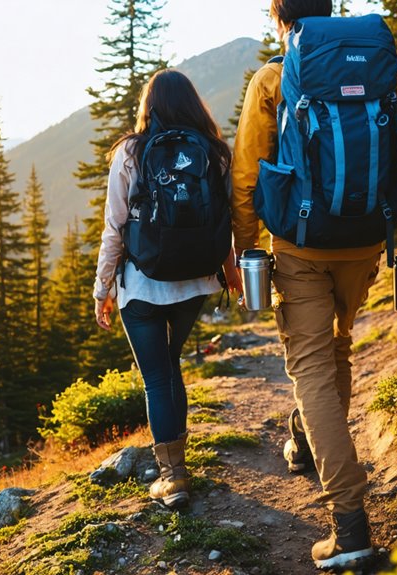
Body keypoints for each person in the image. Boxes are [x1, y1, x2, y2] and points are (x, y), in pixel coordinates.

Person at [232, 0, 397, 569]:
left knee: (311, 370)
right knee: (337, 348)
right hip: (366, 241)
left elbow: (248, 170)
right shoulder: (381, 72)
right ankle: (306, 441)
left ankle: (349, 523)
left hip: (299, 246)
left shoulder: (274, 79)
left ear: (281, 19)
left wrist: (244, 244)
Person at [93, 68, 242, 508]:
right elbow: (227, 219)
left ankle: (172, 477)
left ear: (149, 107)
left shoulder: (129, 152)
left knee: (156, 377)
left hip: (143, 286)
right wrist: (230, 271)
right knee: (169, 366)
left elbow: (114, 228)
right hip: (195, 281)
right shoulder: (215, 153)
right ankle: (177, 460)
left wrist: (103, 289)